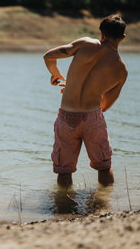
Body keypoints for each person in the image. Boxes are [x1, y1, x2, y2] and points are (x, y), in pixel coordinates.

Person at [43, 14, 128, 188]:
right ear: (122, 38)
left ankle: (65, 207)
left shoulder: (85, 44)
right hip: (92, 118)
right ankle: (105, 206)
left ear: (101, 33)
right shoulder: (121, 69)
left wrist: (56, 75)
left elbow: (49, 56)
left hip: (67, 117)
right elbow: (104, 105)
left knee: (64, 170)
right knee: (104, 167)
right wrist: (93, 92)